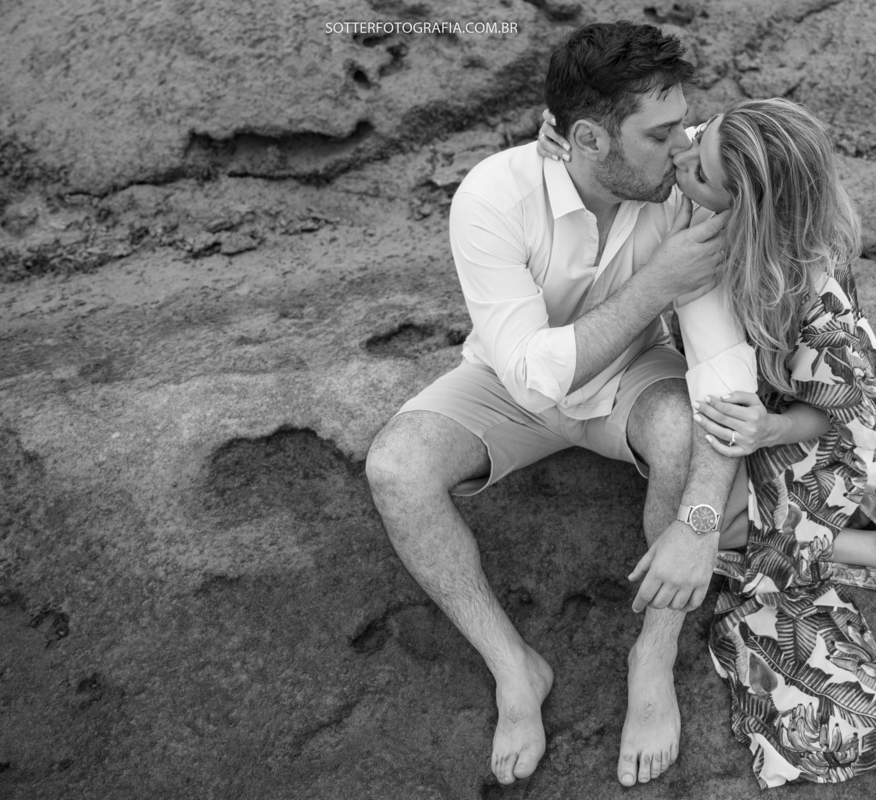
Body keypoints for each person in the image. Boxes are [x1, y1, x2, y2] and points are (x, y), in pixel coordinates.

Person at [539, 97, 876, 787]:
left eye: (699, 171)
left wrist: (771, 429)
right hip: (761, 410)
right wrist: (564, 138)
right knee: (707, 508)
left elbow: (846, 410)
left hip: (812, 436)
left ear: (745, 211)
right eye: (696, 139)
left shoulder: (809, 297)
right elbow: (657, 141)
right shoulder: (726, 170)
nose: (683, 156)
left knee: (718, 532)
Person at [365, 20, 759, 789]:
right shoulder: (494, 195)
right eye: (660, 135)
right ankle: (515, 668)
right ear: (586, 138)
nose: (683, 148)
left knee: (683, 430)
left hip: (632, 377)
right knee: (395, 468)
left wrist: (699, 523)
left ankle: (653, 657)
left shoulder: (684, 189)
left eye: (684, 125)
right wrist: (656, 284)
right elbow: (528, 375)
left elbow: (722, 374)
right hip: (510, 387)